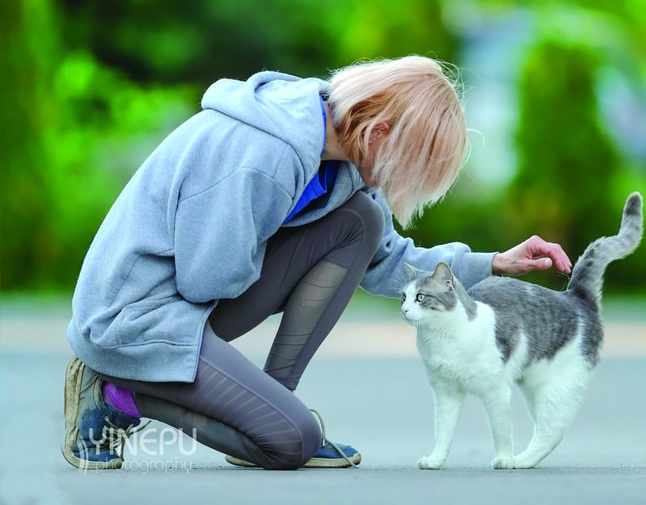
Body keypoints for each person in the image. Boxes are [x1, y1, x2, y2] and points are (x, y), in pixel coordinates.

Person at [62, 55, 572, 471]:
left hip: (192, 302)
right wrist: (283, 236)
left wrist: (494, 265)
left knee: (362, 224)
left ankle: (266, 402)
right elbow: (205, 279)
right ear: (380, 132)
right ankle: (113, 395)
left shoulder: (340, 156)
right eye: (405, 169)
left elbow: (388, 259)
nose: (396, 186)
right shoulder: (268, 153)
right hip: (132, 316)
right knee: (290, 442)